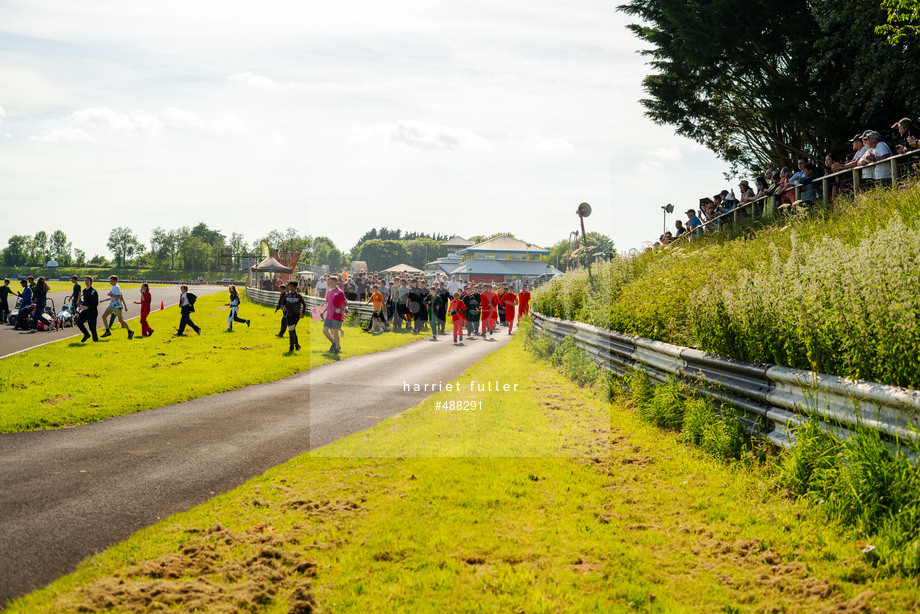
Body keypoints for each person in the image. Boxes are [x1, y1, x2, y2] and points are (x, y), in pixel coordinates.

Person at [100, 275, 134, 340]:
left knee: (120, 320)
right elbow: (112, 297)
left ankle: (130, 331)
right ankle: (107, 331)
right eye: (110, 280)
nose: (110, 282)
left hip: (117, 307)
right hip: (112, 305)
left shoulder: (116, 287)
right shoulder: (113, 287)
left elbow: (118, 296)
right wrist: (104, 300)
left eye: (111, 281)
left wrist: (111, 294)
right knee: (103, 316)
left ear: (115, 281)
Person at [280, 281, 306, 351]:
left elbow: (304, 304)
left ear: (295, 287)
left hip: (296, 316)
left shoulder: (299, 296)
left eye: (291, 286)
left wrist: (303, 313)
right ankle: (297, 345)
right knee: (292, 330)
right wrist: (283, 307)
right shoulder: (286, 295)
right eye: (289, 286)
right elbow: (282, 303)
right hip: (288, 315)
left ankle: (291, 348)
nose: (290, 287)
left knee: (290, 329)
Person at [323, 275, 346, 354]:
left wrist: (339, 308)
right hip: (329, 315)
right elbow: (328, 304)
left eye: (331, 281)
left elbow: (346, 303)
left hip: (337, 315)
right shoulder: (328, 292)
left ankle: (337, 349)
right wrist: (323, 312)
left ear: (336, 283)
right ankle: (334, 343)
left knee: (335, 332)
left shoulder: (340, 292)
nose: (329, 282)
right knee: (325, 330)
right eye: (329, 281)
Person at [76, 276, 100, 342]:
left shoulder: (93, 291)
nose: (86, 282)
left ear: (91, 282)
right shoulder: (84, 290)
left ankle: (95, 340)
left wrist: (87, 307)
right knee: (78, 322)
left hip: (92, 311)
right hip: (85, 311)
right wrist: (81, 306)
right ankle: (86, 334)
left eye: (88, 281)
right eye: (85, 280)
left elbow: (95, 303)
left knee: (92, 327)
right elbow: (85, 301)